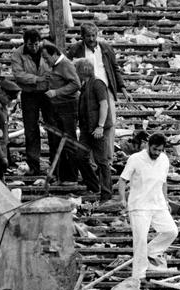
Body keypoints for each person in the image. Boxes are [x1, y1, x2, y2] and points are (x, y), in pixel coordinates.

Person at [112, 133, 178, 290]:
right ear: (148, 145)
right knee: (140, 240)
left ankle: (152, 251)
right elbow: (122, 180)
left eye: (160, 150)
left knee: (171, 231)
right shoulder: (135, 158)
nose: (157, 153)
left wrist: (167, 201)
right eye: (155, 149)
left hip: (158, 204)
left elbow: (163, 182)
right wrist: (122, 200)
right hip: (139, 205)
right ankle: (138, 276)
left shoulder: (164, 159)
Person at [67, 22, 132, 167]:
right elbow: (69, 68)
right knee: (88, 125)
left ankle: (107, 160)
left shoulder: (106, 48)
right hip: (86, 90)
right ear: (82, 36)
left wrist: (123, 89)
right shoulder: (75, 50)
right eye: (88, 36)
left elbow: (115, 69)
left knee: (108, 124)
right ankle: (92, 162)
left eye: (93, 35)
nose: (91, 39)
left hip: (105, 89)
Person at [11, 28, 53, 176]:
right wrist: (37, 79)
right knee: (31, 129)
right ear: (25, 43)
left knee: (52, 126)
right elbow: (18, 74)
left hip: (48, 93)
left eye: (36, 44)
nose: (34, 48)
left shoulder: (47, 49)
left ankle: (56, 164)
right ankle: (33, 164)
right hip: (29, 94)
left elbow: (56, 64)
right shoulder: (18, 54)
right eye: (30, 45)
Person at [41, 42, 81, 185]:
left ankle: (71, 177)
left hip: (68, 108)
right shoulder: (56, 66)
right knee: (58, 141)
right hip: (58, 108)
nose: (46, 61)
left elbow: (76, 84)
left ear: (55, 54)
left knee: (69, 141)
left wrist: (56, 92)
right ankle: (62, 176)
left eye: (47, 58)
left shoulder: (66, 64)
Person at [74, 58, 112, 202]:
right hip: (86, 129)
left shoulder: (97, 84)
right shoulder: (85, 86)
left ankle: (106, 193)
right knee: (80, 156)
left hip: (97, 130)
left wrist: (100, 126)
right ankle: (94, 186)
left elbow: (104, 105)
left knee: (102, 161)